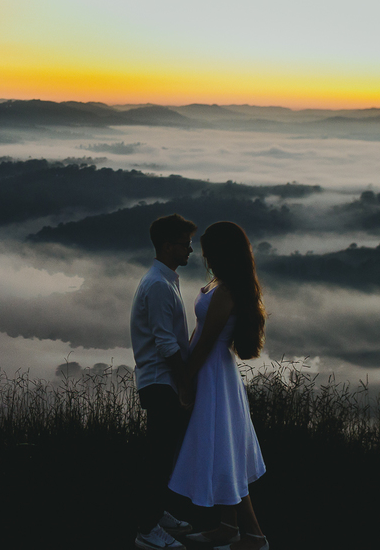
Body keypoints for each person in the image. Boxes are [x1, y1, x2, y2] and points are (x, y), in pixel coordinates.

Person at [168, 221, 269, 550]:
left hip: (214, 377)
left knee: (225, 453)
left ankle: (253, 535)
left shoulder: (226, 291)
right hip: (214, 374)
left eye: (208, 247)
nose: (202, 252)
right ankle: (229, 527)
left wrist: (186, 380)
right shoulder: (220, 283)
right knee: (223, 451)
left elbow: (207, 342)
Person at [130, 214, 198, 549]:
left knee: (165, 454)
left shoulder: (165, 279)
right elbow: (165, 343)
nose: (190, 250)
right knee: (158, 458)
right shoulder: (158, 285)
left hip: (163, 380)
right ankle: (147, 530)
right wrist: (185, 382)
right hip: (160, 381)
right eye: (185, 244)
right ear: (168, 246)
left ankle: (156, 514)